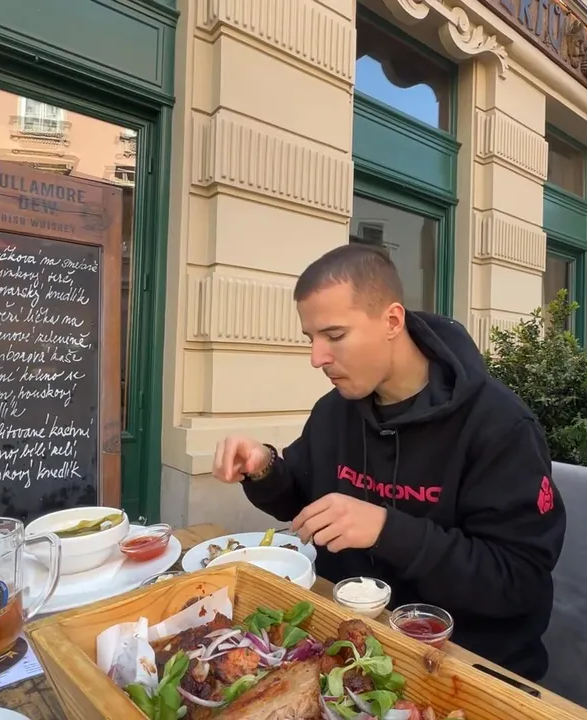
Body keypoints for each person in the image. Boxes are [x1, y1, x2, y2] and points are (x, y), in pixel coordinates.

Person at [211, 244, 566, 680]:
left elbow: (519, 581)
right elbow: (303, 502)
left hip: (465, 667)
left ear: (392, 321)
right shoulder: (335, 411)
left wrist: (387, 530)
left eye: (334, 336)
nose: (317, 358)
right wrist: (263, 466)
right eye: (311, 338)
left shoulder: (500, 426)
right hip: (349, 647)